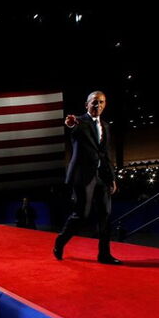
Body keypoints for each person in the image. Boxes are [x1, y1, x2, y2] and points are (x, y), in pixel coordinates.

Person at [53, 91, 121, 264]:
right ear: (87, 104)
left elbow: (106, 154)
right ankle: (60, 241)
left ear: (105, 104)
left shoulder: (105, 126)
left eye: (101, 102)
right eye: (94, 102)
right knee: (82, 215)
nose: (98, 105)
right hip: (83, 176)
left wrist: (112, 178)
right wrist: (70, 124)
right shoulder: (80, 122)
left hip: (102, 177)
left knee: (105, 215)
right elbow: (73, 129)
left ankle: (104, 255)